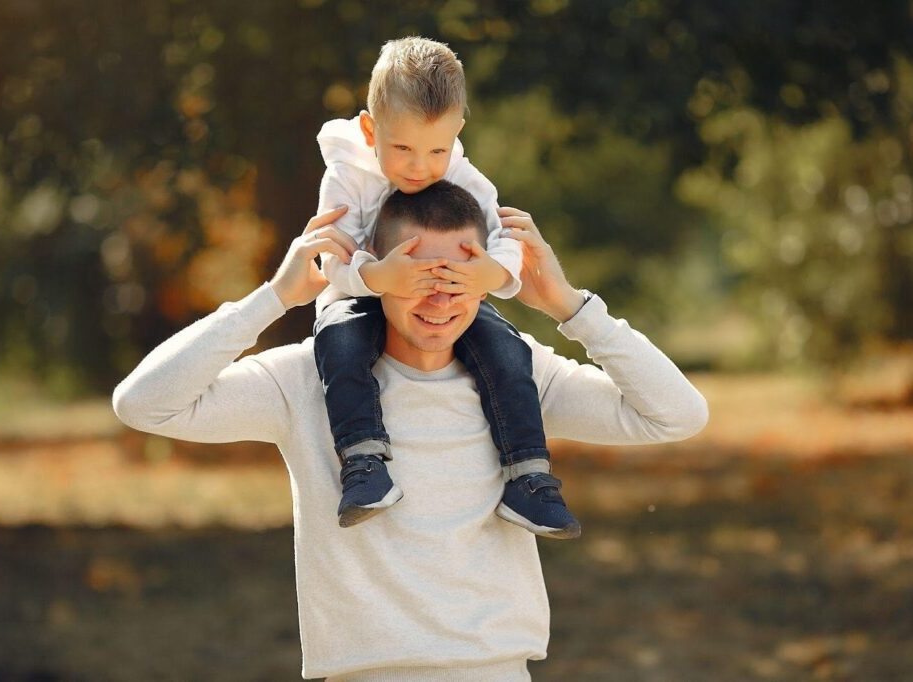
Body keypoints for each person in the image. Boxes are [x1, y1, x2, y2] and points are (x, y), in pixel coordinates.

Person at [112, 181, 709, 681]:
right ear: (378, 272)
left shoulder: (518, 377)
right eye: (420, 272)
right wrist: (271, 300)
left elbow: (676, 414)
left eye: (461, 272)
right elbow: (145, 405)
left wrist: (571, 308)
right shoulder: (306, 379)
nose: (441, 293)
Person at [312, 36, 580, 537]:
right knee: (339, 345)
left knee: (506, 349)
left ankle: (529, 477)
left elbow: (502, 238)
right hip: (358, 296)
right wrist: (374, 276)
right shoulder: (346, 174)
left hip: (442, 296)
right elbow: (331, 256)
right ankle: (364, 462)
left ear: (457, 131)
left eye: (437, 148)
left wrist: (492, 275)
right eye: (403, 148)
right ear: (371, 129)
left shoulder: (460, 171)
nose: (420, 167)